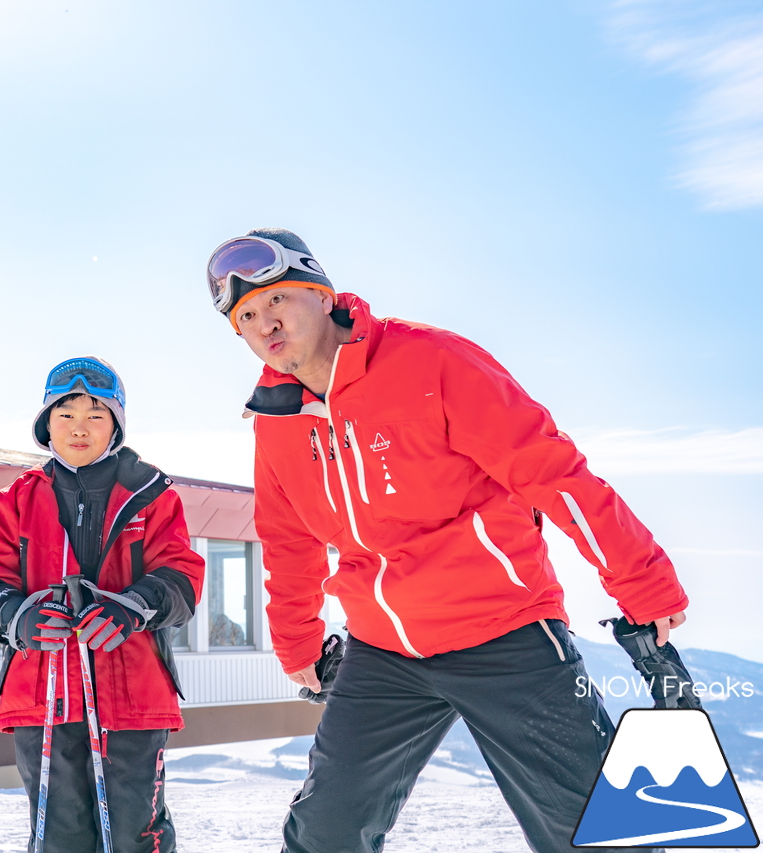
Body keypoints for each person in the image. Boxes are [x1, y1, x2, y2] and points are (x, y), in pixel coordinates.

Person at [204, 228, 689, 853]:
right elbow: (287, 538)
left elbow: (552, 473)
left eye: (277, 301)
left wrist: (640, 577)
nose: (265, 323)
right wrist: (295, 639)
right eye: (245, 316)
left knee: (589, 834)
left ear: (322, 296)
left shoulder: (431, 361)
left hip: (504, 633)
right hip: (382, 651)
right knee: (324, 833)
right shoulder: (276, 420)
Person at [0, 356, 204, 853]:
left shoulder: (150, 494)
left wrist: (131, 607)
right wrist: (19, 617)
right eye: (66, 415)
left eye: (96, 416)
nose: (80, 429)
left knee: (135, 835)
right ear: (45, 426)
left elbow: (182, 579)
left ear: (116, 424)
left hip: (132, 696)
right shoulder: (14, 500)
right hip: (43, 693)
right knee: (59, 838)